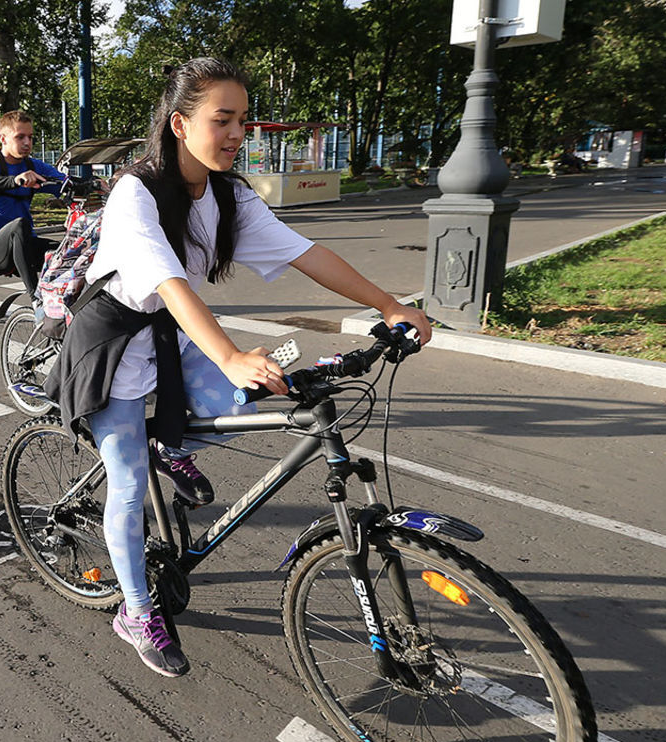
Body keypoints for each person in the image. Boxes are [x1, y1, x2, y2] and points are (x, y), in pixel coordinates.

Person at [45, 58, 431, 677]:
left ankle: (170, 444)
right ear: (180, 123)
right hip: (113, 341)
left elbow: (305, 253)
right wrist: (228, 353)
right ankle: (136, 610)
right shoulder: (134, 193)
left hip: (169, 334)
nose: (236, 134)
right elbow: (169, 284)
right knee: (126, 482)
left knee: (240, 401)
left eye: (242, 121)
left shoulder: (228, 194)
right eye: (221, 120)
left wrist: (388, 306)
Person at [0, 110, 67, 297]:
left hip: (25, 245)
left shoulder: (33, 166)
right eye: (20, 137)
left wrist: (95, 184)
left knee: (72, 253)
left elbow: (64, 182)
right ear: (3, 138)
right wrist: (14, 180)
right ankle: (35, 297)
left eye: (30, 137)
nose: (27, 143)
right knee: (18, 225)